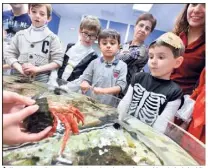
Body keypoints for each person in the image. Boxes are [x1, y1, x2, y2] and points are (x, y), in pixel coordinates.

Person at [118, 32, 185, 133]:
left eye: (161, 57)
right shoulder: (138, 77)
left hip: (147, 137)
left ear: (177, 62)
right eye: (151, 56)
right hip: (123, 127)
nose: (153, 61)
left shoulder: (175, 92)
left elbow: (161, 125)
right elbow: (124, 104)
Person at [4, 4, 64, 83]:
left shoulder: (53, 38)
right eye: (34, 12)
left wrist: (37, 69)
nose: (37, 16)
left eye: (42, 14)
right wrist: (19, 67)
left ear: (49, 18)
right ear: (29, 13)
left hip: (41, 81)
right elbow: (9, 55)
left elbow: (58, 61)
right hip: (17, 78)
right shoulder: (19, 35)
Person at [48, 15, 101, 87]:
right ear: (80, 30)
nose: (88, 39)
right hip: (57, 84)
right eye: (85, 33)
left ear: (96, 37)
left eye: (92, 35)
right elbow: (60, 64)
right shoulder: (70, 46)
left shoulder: (93, 56)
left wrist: (69, 87)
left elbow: (85, 78)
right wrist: (54, 79)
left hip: (74, 89)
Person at [80, 29, 127, 105]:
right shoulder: (94, 62)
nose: (108, 46)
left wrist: (103, 91)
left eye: (112, 43)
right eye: (104, 43)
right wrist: (84, 83)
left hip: (109, 106)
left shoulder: (122, 66)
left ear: (118, 46)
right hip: (89, 102)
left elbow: (120, 87)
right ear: (100, 46)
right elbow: (85, 79)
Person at [117, 13, 157, 98]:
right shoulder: (125, 45)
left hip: (122, 94)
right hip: (109, 85)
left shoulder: (144, 51)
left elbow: (119, 59)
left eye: (147, 28)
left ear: (149, 33)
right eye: (141, 25)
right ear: (135, 26)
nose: (143, 30)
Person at [171, 3, 205, 95]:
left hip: (182, 100)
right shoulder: (174, 36)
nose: (197, 10)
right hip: (157, 90)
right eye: (193, 4)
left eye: (205, 5)